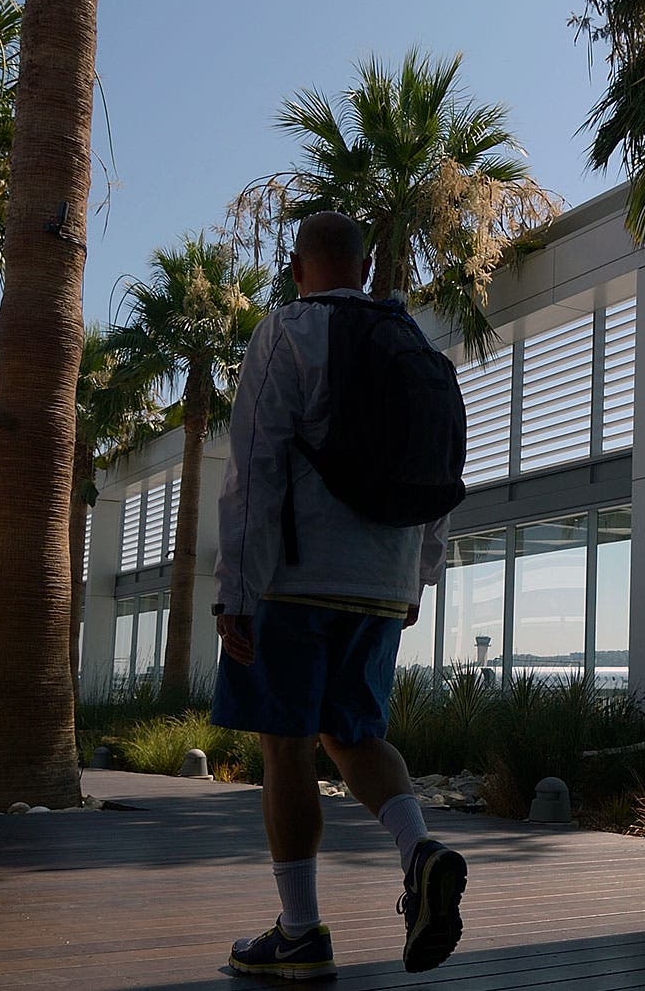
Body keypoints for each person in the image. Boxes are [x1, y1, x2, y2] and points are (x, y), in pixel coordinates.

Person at [212, 210, 463, 980]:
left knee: (285, 748)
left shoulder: (286, 331)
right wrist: (418, 574)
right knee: (353, 734)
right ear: (364, 267)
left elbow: (254, 464)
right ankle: (420, 852)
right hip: (383, 584)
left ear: (298, 267)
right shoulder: (414, 341)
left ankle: (300, 932)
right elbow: (442, 469)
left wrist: (239, 591)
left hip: (295, 580)